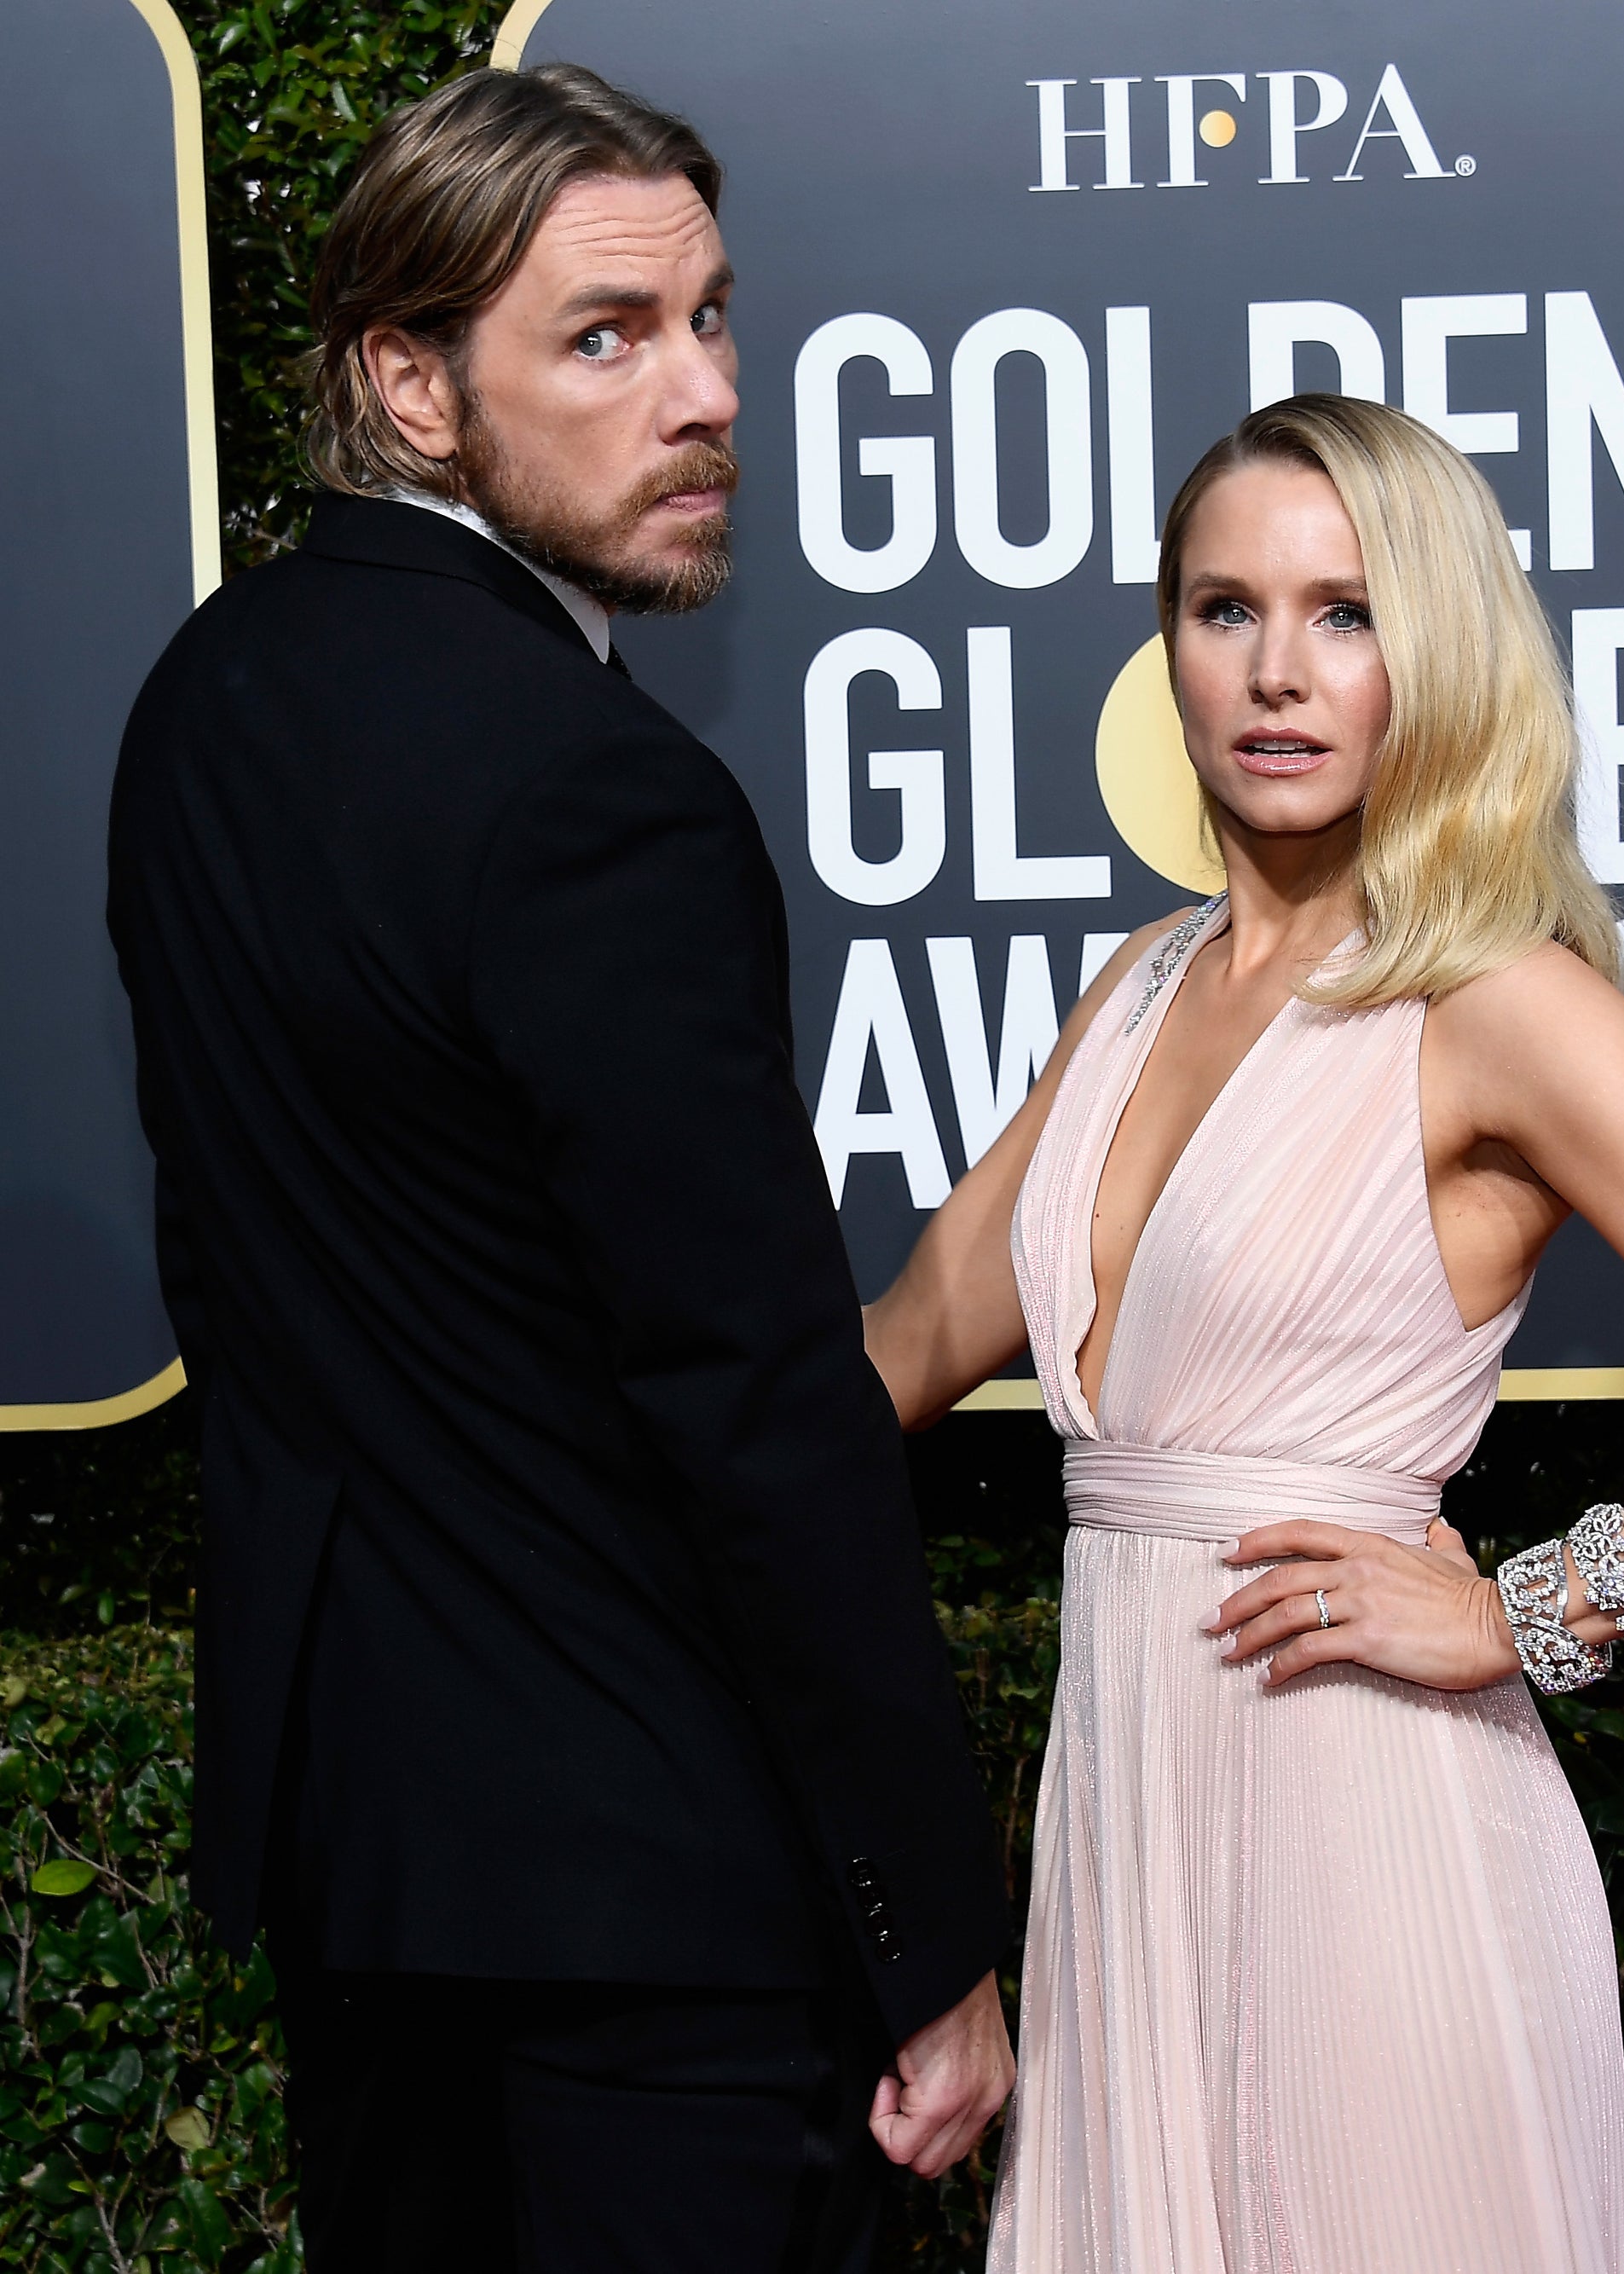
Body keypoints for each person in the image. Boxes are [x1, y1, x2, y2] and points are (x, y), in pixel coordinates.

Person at [864, 394, 1624, 2273]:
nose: (1276, 672)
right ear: (1167, 647)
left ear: (1426, 654)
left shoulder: (1493, 999)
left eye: (1343, 613)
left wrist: (1520, 1607)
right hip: (1130, 1831)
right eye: (1223, 609)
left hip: (1375, 1824)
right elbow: (884, 1359)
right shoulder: (1130, 986)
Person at [107, 65, 1009, 2272]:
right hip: (654, 1895)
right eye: (606, 339)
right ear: (411, 388)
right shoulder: (601, 791)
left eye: (714, 321)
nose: (701, 396)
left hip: (372, 1872)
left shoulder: (208, 704)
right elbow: (753, 1402)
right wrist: (926, 1923)